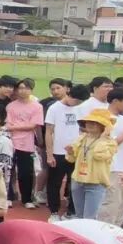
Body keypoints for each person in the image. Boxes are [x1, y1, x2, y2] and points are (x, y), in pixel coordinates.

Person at [97, 87, 123, 226]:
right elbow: (108, 143)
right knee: (110, 205)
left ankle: (116, 232)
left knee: (122, 204)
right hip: (111, 167)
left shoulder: (121, 118)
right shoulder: (103, 117)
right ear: (115, 101)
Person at [44, 83, 87, 221]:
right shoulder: (54, 108)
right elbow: (49, 132)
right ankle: (54, 212)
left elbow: (84, 130)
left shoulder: (81, 108)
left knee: (76, 183)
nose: (78, 104)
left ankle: (71, 212)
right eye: (77, 101)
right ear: (70, 95)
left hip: (76, 153)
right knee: (54, 183)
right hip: (58, 152)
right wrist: (49, 154)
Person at [65, 107, 117, 220]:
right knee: (79, 217)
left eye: (95, 122)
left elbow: (99, 155)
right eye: (88, 121)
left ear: (104, 126)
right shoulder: (81, 138)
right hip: (78, 181)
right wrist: (70, 152)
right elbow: (71, 159)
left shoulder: (110, 143)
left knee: (89, 219)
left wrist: (103, 138)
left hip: (95, 183)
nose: (89, 124)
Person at [5, 79, 43, 209]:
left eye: (26, 88)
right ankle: (8, 197)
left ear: (31, 90)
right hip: (11, 142)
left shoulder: (37, 107)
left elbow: (33, 125)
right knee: (8, 170)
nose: (22, 91)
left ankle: (26, 199)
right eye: (20, 88)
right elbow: (8, 124)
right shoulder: (11, 106)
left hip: (27, 143)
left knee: (26, 172)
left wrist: (16, 126)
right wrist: (23, 126)